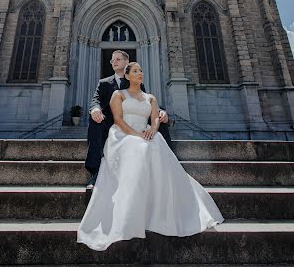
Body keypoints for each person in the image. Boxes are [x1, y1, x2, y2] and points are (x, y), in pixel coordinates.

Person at [78, 62, 224, 251]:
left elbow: (152, 112)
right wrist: (134, 132)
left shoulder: (149, 96)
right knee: (139, 147)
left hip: (144, 132)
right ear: (127, 75)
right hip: (122, 132)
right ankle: (98, 176)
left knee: (156, 146)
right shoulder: (115, 91)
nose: (140, 73)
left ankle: (161, 207)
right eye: (136, 71)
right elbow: (118, 119)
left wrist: (156, 124)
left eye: (141, 70)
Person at [85, 50, 172, 189]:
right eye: (112, 60)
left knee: (160, 121)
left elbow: (144, 101)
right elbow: (96, 99)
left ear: (127, 63)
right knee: (95, 121)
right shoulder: (104, 83)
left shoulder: (134, 81)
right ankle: (95, 172)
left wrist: (161, 111)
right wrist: (95, 109)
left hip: (134, 124)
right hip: (110, 122)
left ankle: (169, 165)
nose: (114, 62)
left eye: (118, 59)